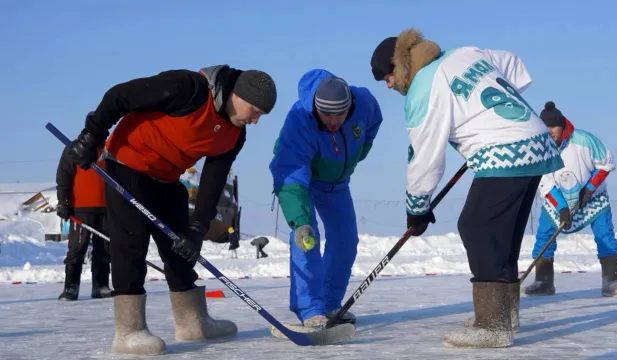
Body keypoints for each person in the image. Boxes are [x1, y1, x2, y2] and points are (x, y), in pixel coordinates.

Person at [370, 28, 564, 348]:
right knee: (503, 232)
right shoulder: (466, 53)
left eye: (387, 77)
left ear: (401, 66)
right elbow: (514, 65)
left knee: (476, 226)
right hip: (537, 142)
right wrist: (483, 114)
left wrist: (416, 208)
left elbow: (424, 156)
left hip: (506, 150)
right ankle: (505, 313)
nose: (388, 85)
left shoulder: (424, 87)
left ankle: (492, 325)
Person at [65, 65, 277, 356]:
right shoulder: (188, 88)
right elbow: (120, 96)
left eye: (260, 116)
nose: (255, 121)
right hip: (128, 167)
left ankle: (192, 322)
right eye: (254, 111)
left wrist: (198, 227)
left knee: (181, 249)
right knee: (131, 246)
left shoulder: (234, 135)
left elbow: (213, 180)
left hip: (167, 179)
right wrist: (91, 135)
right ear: (237, 95)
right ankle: (129, 331)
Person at [269, 69, 383, 330]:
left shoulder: (364, 101)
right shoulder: (299, 120)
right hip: (300, 178)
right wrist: (299, 220)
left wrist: (357, 154)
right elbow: (290, 172)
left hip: (336, 182)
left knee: (346, 239)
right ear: (315, 108)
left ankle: (331, 304)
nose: (334, 121)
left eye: (340, 114)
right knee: (307, 237)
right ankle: (309, 308)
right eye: (327, 115)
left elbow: (373, 123)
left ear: (350, 105)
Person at [523, 101, 617, 298]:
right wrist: (562, 207)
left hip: (592, 199)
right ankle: (543, 282)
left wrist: (589, 189)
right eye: (545, 128)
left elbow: (606, 163)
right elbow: (545, 182)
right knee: (544, 236)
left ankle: (611, 282)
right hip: (558, 200)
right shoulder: (541, 148)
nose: (550, 132)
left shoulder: (584, 140)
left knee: (604, 235)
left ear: (562, 125)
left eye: (553, 127)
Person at [55, 134, 112, 301]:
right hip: (81, 208)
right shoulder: (74, 148)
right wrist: (63, 202)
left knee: (104, 250)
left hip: (107, 208)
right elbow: (64, 176)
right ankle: (71, 288)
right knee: (77, 248)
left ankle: (100, 285)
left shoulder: (110, 148)